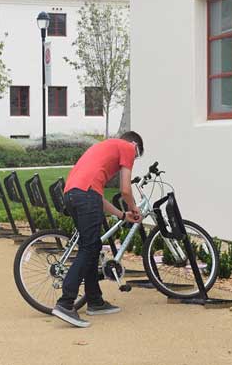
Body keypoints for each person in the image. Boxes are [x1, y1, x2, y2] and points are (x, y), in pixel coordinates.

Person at [51, 131, 144, 328]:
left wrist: (121, 214)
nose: (132, 160)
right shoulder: (127, 146)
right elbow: (126, 189)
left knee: (92, 247)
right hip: (85, 197)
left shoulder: (101, 149)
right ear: (134, 145)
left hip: (73, 194)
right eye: (136, 156)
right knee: (90, 247)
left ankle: (95, 301)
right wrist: (134, 209)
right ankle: (66, 303)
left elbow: (97, 197)